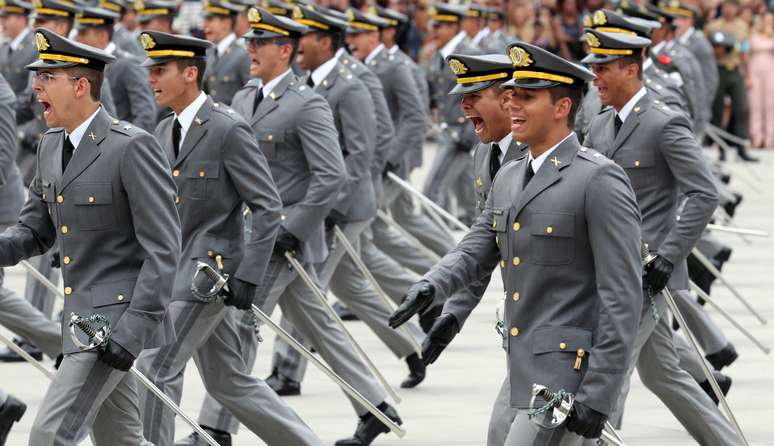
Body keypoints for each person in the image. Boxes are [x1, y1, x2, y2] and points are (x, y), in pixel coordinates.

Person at [390, 40, 643, 446]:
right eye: (510, 96)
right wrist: (432, 286)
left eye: (527, 97)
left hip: (567, 367)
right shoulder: (510, 176)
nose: (513, 106)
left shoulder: (597, 179)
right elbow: (477, 245)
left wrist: (601, 393)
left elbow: (622, 296)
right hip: (523, 356)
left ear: (562, 108)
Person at [179, 7, 402, 446]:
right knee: (318, 323)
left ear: (285, 50)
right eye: (250, 42)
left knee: (238, 325)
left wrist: (292, 226)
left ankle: (217, 426)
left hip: (278, 239)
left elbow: (331, 174)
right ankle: (376, 407)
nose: (250, 50)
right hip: (253, 233)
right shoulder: (244, 98)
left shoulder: (307, 103)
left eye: (260, 44)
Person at [128, 30, 321, 446]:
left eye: (161, 71)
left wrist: (248, 275)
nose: (152, 80)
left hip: (205, 277)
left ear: (191, 73)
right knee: (229, 381)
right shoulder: (163, 132)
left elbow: (267, 205)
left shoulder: (226, 127)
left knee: (155, 369)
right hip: (172, 272)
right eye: (151, 71)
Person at [0, 28, 180, 445]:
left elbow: (163, 248)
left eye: (48, 77)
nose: (35, 86)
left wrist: (133, 331)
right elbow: (34, 231)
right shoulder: (50, 145)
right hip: (80, 318)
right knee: (121, 441)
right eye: (36, 76)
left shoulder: (130, 146)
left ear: (81, 85)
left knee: (48, 435)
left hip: (111, 324)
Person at [581, 28, 740, 445]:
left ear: (632, 69)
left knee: (607, 378)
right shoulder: (599, 126)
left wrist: (669, 256)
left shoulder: (662, 120)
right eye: (594, 66)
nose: (595, 76)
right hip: (608, 267)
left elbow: (704, 193)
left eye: (604, 68)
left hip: (643, 275)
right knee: (664, 375)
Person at [75, 5, 158, 132]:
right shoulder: (85, 64)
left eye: (83, 33)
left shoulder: (127, 65)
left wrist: (126, 143)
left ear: (102, 36)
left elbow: (145, 114)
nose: (77, 39)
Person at [706, 0, 758, 161]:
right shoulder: (713, 26)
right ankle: (721, 148)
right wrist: (716, 50)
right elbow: (706, 50)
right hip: (718, 69)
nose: (729, 9)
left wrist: (748, 74)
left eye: (733, 6)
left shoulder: (742, 26)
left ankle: (741, 148)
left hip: (735, 70)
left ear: (737, 8)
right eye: (727, 5)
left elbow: (745, 50)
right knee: (718, 110)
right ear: (723, 7)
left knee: (741, 108)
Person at [201, 0, 250, 104]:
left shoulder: (243, 56)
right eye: (205, 20)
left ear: (226, 23)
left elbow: (250, 98)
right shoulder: (208, 53)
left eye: (210, 19)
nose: (204, 25)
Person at [747, 11, 774, 148]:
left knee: (770, 106)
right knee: (755, 105)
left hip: (771, 72)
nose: (768, 23)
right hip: (755, 71)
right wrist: (747, 75)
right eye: (767, 20)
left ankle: (770, 139)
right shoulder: (753, 34)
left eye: (771, 20)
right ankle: (756, 137)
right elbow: (746, 52)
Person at [0, 0, 37, 94]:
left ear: (21, 19)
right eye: (1, 18)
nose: (2, 22)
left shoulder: (35, 46)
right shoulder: (4, 47)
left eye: (6, 18)